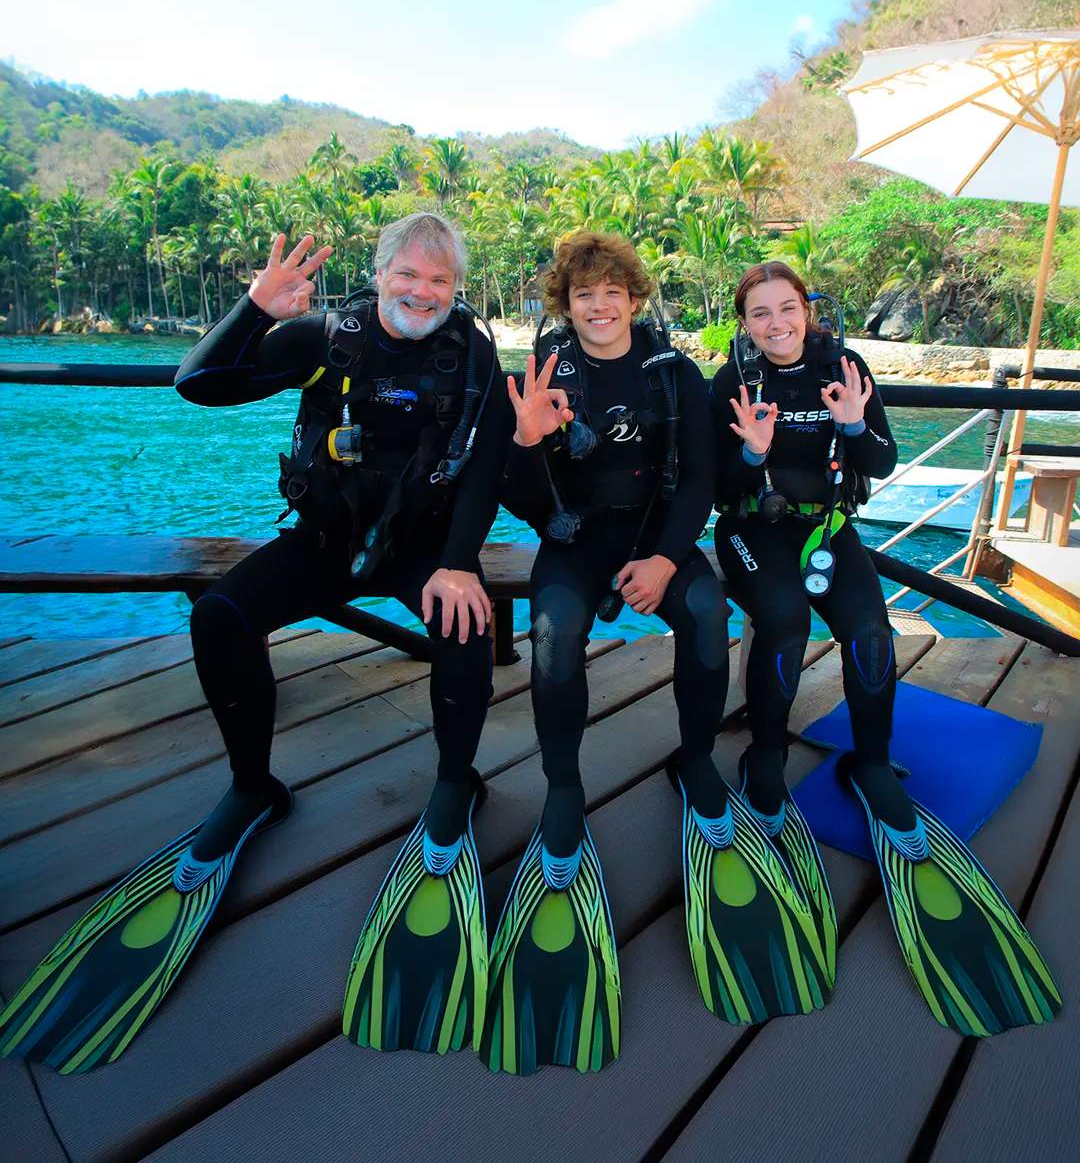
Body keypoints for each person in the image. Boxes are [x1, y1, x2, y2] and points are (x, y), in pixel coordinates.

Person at [0, 212, 508, 1071]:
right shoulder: (329, 337)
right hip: (326, 540)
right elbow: (199, 384)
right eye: (409, 275)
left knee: (465, 623)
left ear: (455, 289)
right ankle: (251, 787)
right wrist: (253, 310)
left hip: (421, 544)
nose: (423, 293)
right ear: (379, 271)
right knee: (221, 616)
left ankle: (458, 782)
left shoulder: (472, 354)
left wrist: (459, 563)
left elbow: (487, 466)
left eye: (440, 281)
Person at [481, 232, 825, 1079]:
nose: (599, 306)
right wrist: (524, 441)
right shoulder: (545, 375)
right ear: (566, 305)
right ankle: (565, 787)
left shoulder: (673, 375)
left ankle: (696, 761)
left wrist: (670, 559)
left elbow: (701, 480)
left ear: (634, 298)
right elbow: (518, 497)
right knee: (554, 634)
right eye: (584, 295)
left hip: (656, 539)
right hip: (575, 542)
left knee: (706, 612)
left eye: (613, 292)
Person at [711, 260, 1060, 1036]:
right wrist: (751, 452)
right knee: (785, 627)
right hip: (752, 531)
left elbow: (879, 461)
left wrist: (848, 424)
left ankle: (870, 761)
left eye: (787, 308)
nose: (776, 324)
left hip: (828, 532)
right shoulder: (732, 380)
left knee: (872, 635)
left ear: (807, 309)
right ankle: (765, 755)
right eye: (760, 314)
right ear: (745, 322)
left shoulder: (845, 368)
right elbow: (713, 484)